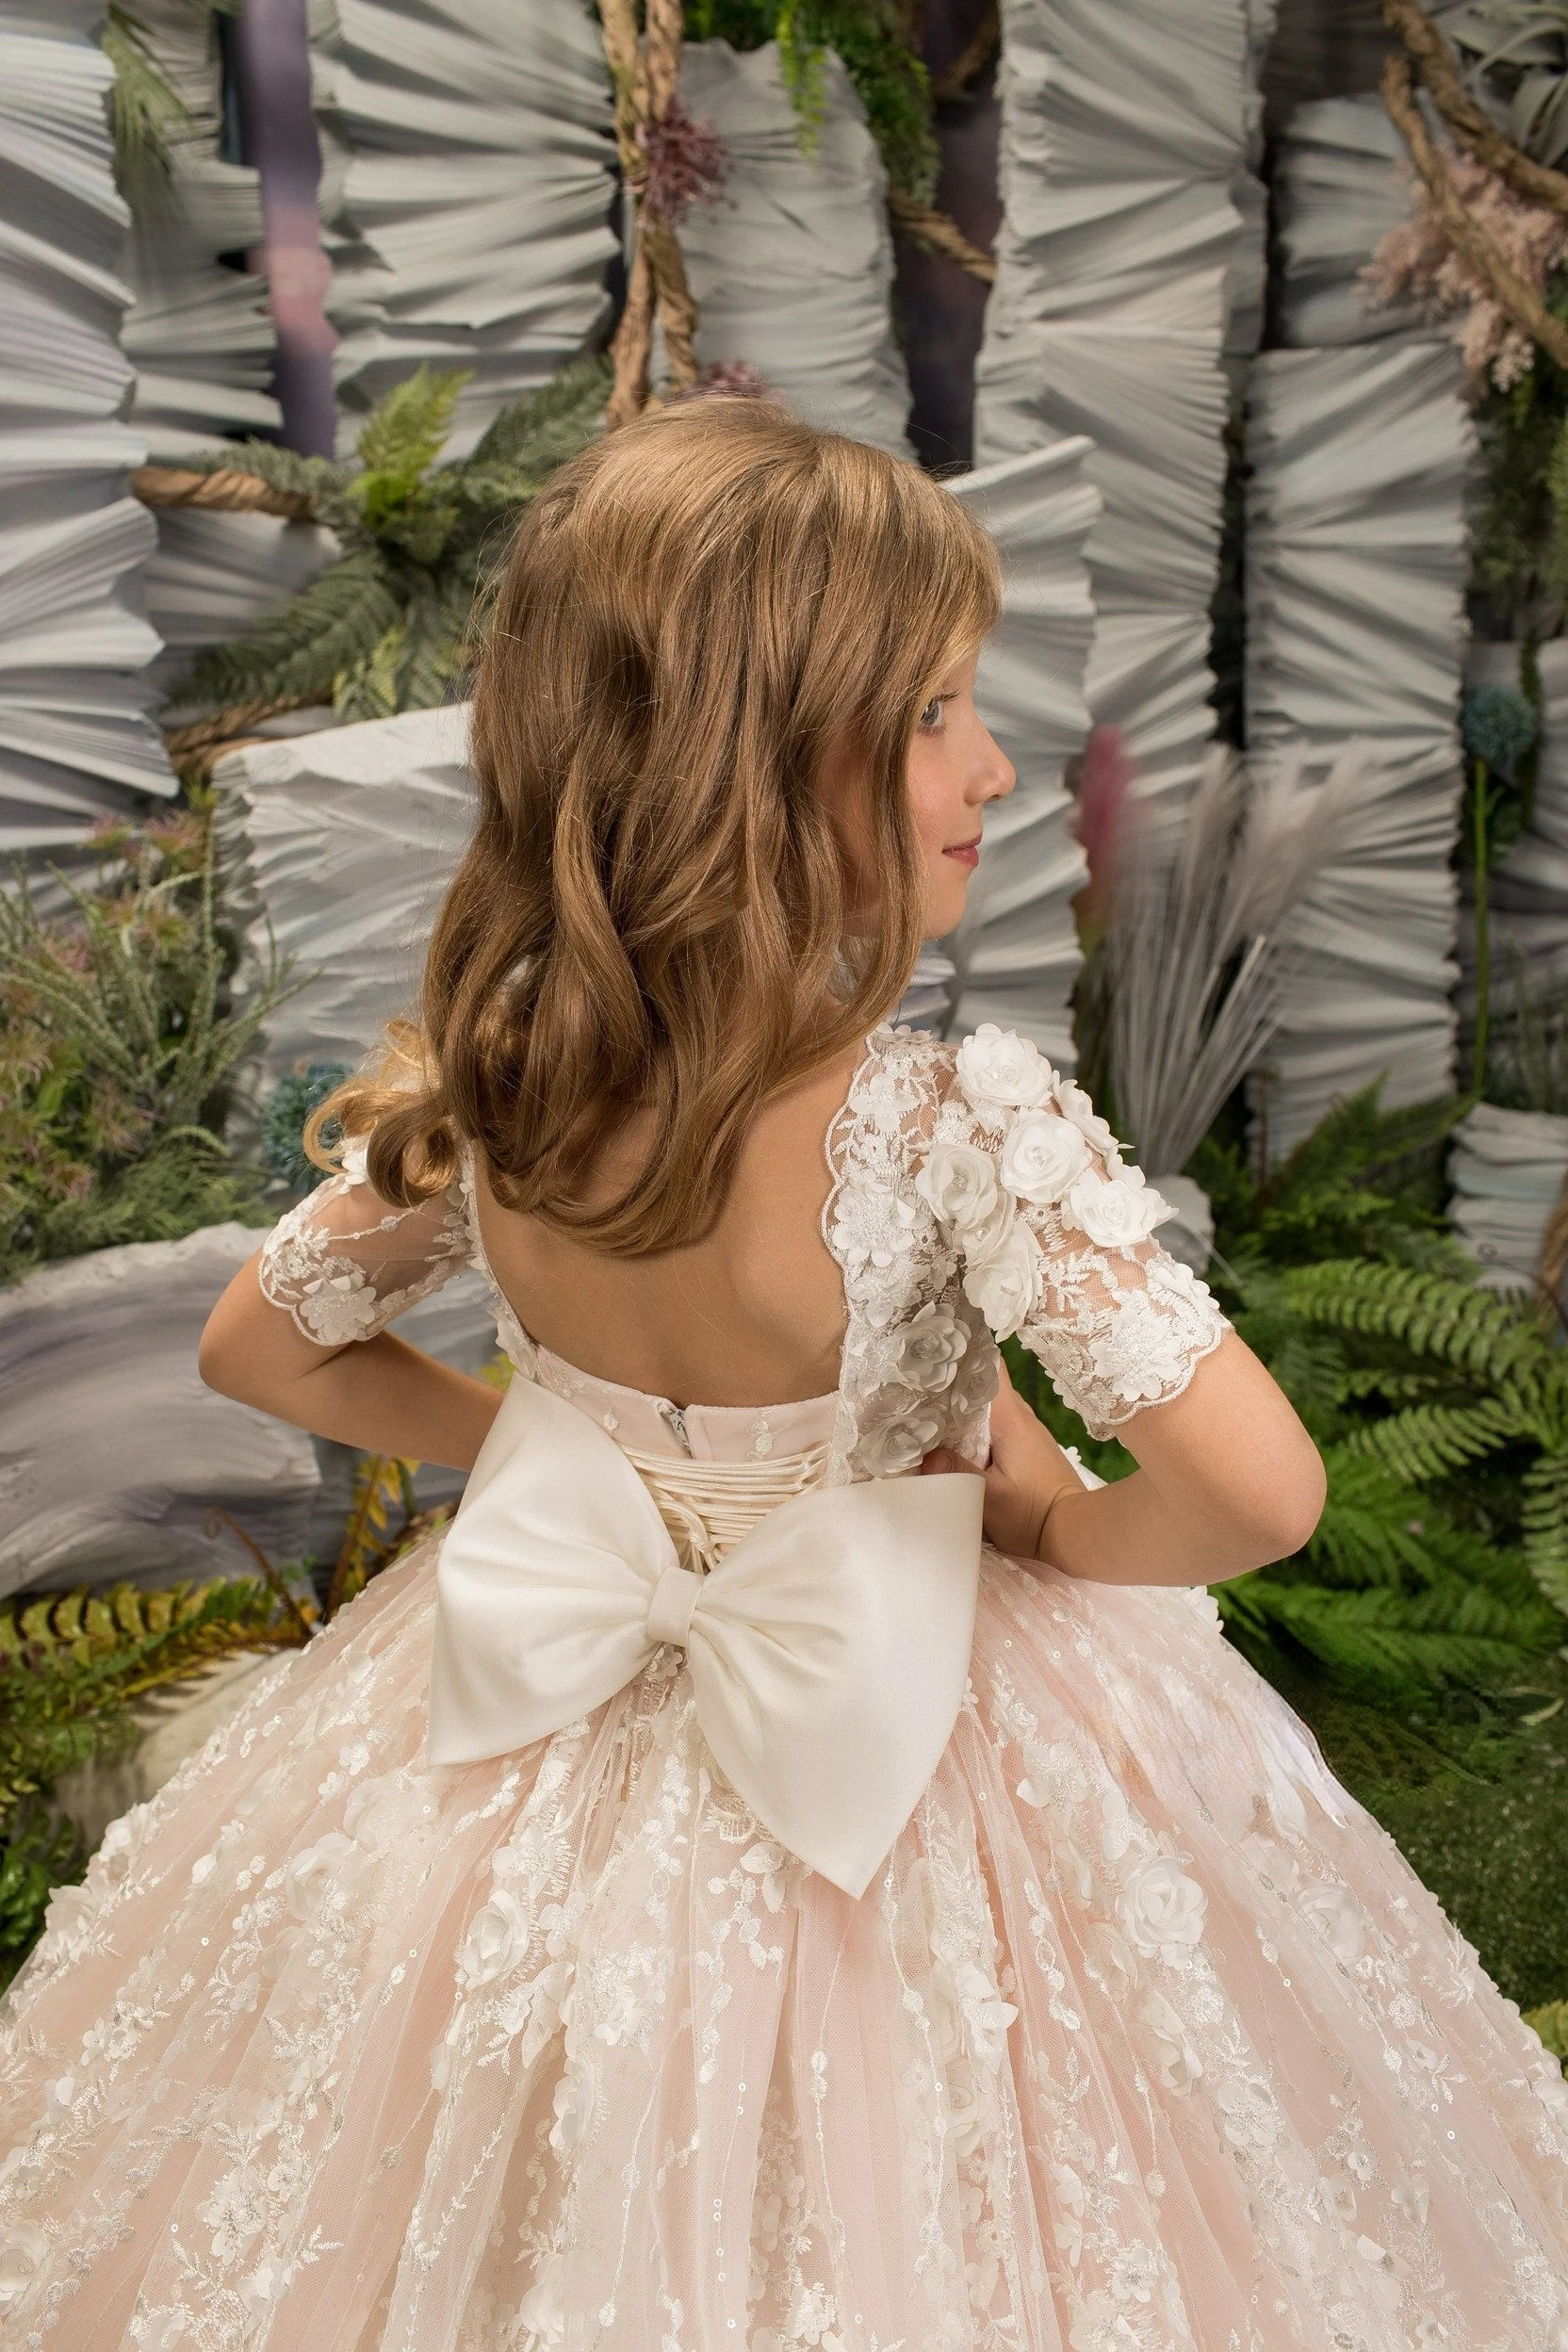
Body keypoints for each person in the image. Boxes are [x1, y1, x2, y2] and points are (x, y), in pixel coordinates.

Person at [2, 398, 1565, 2352]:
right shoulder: (949, 1123)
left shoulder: (499, 1077)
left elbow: (265, 1339)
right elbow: (1258, 1496)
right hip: (924, 1728)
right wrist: (1060, 1530)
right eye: (927, 716)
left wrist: (530, 1451)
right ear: (746, 758)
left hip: (529, 1714)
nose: (992, 766)